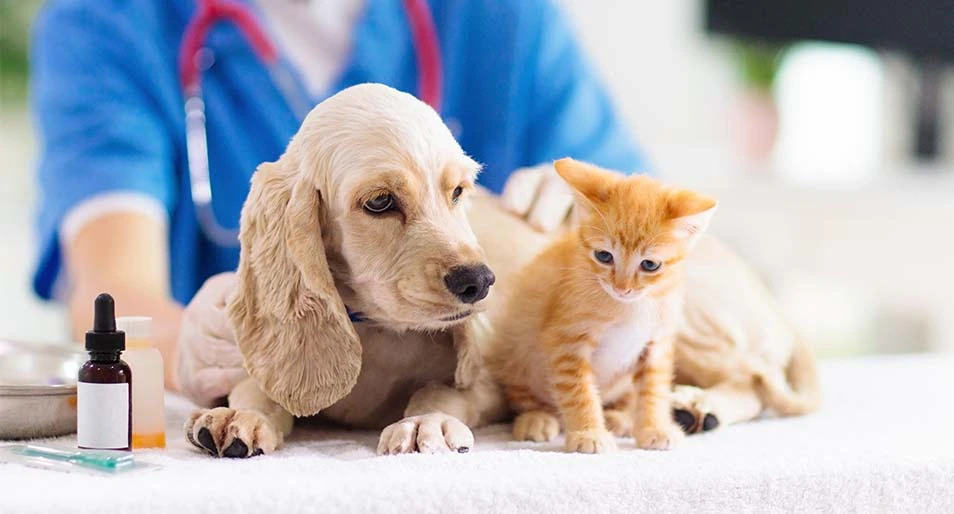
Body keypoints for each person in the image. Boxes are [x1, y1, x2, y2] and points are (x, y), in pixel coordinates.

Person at [31, 0, 644, 396]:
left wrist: (596, 221)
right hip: (252, 416)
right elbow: (110, 292)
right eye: (383, 202)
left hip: (460, 400)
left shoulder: (504, 19)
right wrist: (185, 347)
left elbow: (666, 228)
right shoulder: (106, 19)